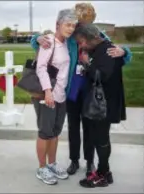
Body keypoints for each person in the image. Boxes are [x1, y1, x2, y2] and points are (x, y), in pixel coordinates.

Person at [30, 2, 132, 177]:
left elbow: (115, 53)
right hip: (70, 89)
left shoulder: (98, 35)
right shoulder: (69, 35)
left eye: (86, 23)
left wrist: (124, 51)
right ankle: (74, 160)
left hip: (88, 89)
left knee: (90, 127)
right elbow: (43, 43)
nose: (81, 28)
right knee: (73, 127)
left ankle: (90, 161)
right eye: (79, 23)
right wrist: (37, 38)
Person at [73, 23, 126, 188]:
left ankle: (102, 175)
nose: (81, 46)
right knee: (99, 137)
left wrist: (86, 64)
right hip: (102, 103)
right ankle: (106, 172)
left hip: (105, 104)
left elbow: (100, 76)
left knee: (101, 139)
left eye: (82, 42)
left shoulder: (107, 51)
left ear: (92, 38)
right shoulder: (99, 49)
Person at [33, 8, 78, 185]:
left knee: (55, 132)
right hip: (47, 95)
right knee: (45, 132)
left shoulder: (69, 43)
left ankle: (52, 164)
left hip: (62, 95)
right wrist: (48, 90)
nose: (71, 28)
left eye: (73, 25)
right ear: (58, 24)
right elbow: (41, 67)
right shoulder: (48, 42)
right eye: (68, 25)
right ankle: (42, 167)